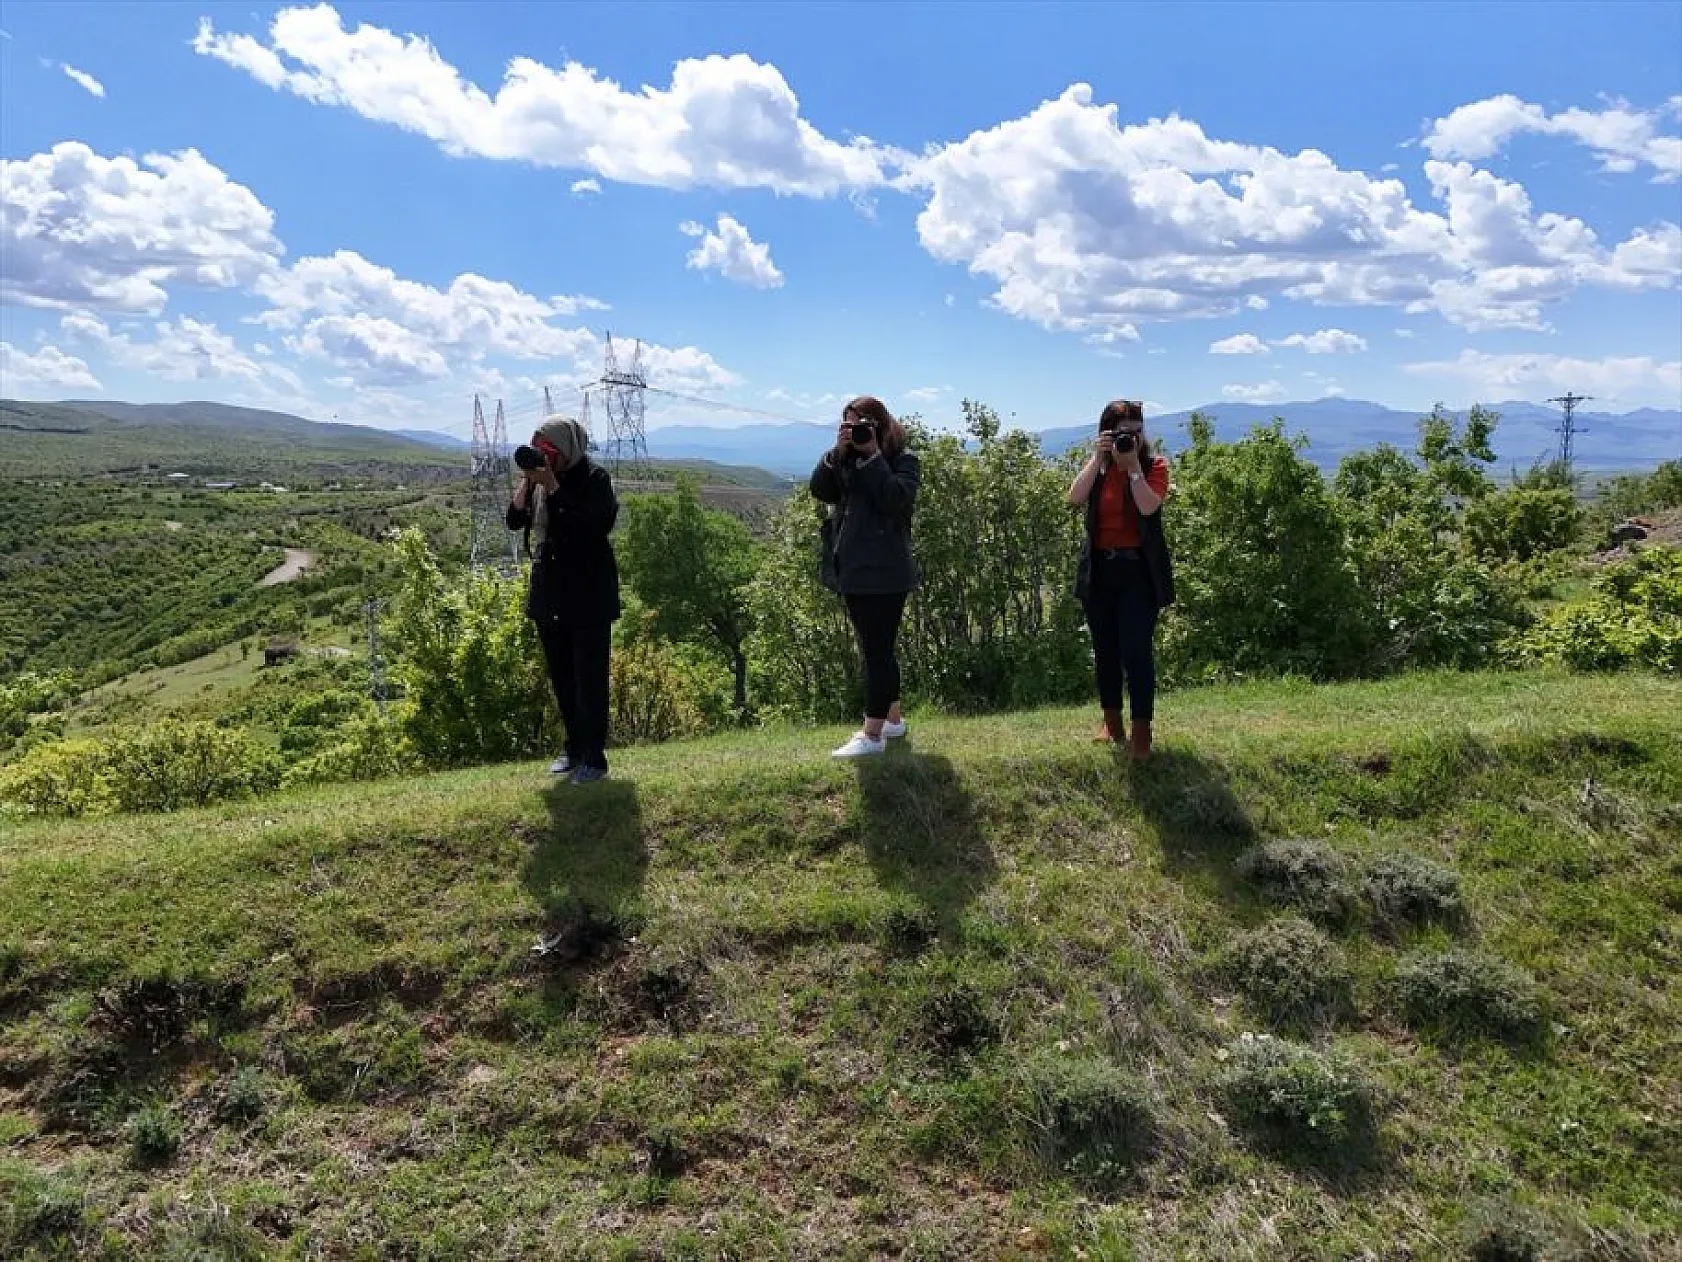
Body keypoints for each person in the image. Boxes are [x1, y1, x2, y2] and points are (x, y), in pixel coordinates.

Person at [506, 415, 621, 784]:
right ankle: (572, 748)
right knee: (562, 676)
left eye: (548, 451)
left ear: (567, 449)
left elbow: (589, 527)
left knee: (589, 678)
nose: (543, 457)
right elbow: (513, 520)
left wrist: (553, 486)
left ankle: (594, 757)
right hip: (551, 592)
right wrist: (527, 481)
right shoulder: (537, 484)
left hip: (588, 594)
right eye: (537, 449)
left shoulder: (595, 480)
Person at [809, 395, 922, 759]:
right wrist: (835, 453)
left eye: (862, 424)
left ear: (880, 425)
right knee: (875, 648)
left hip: (886, 571)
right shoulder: (845, 461)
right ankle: (892, 720)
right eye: (849, 424)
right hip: (854, 568)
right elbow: (820, 490)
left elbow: (896, 498)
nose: (856, 431)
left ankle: (872, 735)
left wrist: (873, 457)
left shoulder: (903, 461)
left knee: (877, 653)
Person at [1067, 399, 1175, 761]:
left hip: (1138, 572)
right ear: (1106, 434)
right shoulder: (1098, 470)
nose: (1131, 438)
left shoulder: (1154, 466)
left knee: (1136, 650)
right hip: (1100, 571)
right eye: (1121, 432)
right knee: (1106, 652)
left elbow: (1148, 507)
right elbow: (1073, 498)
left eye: (1136, 431)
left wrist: (1132, 471)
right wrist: (1098, 459)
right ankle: (1112, 724)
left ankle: (1141, 731)